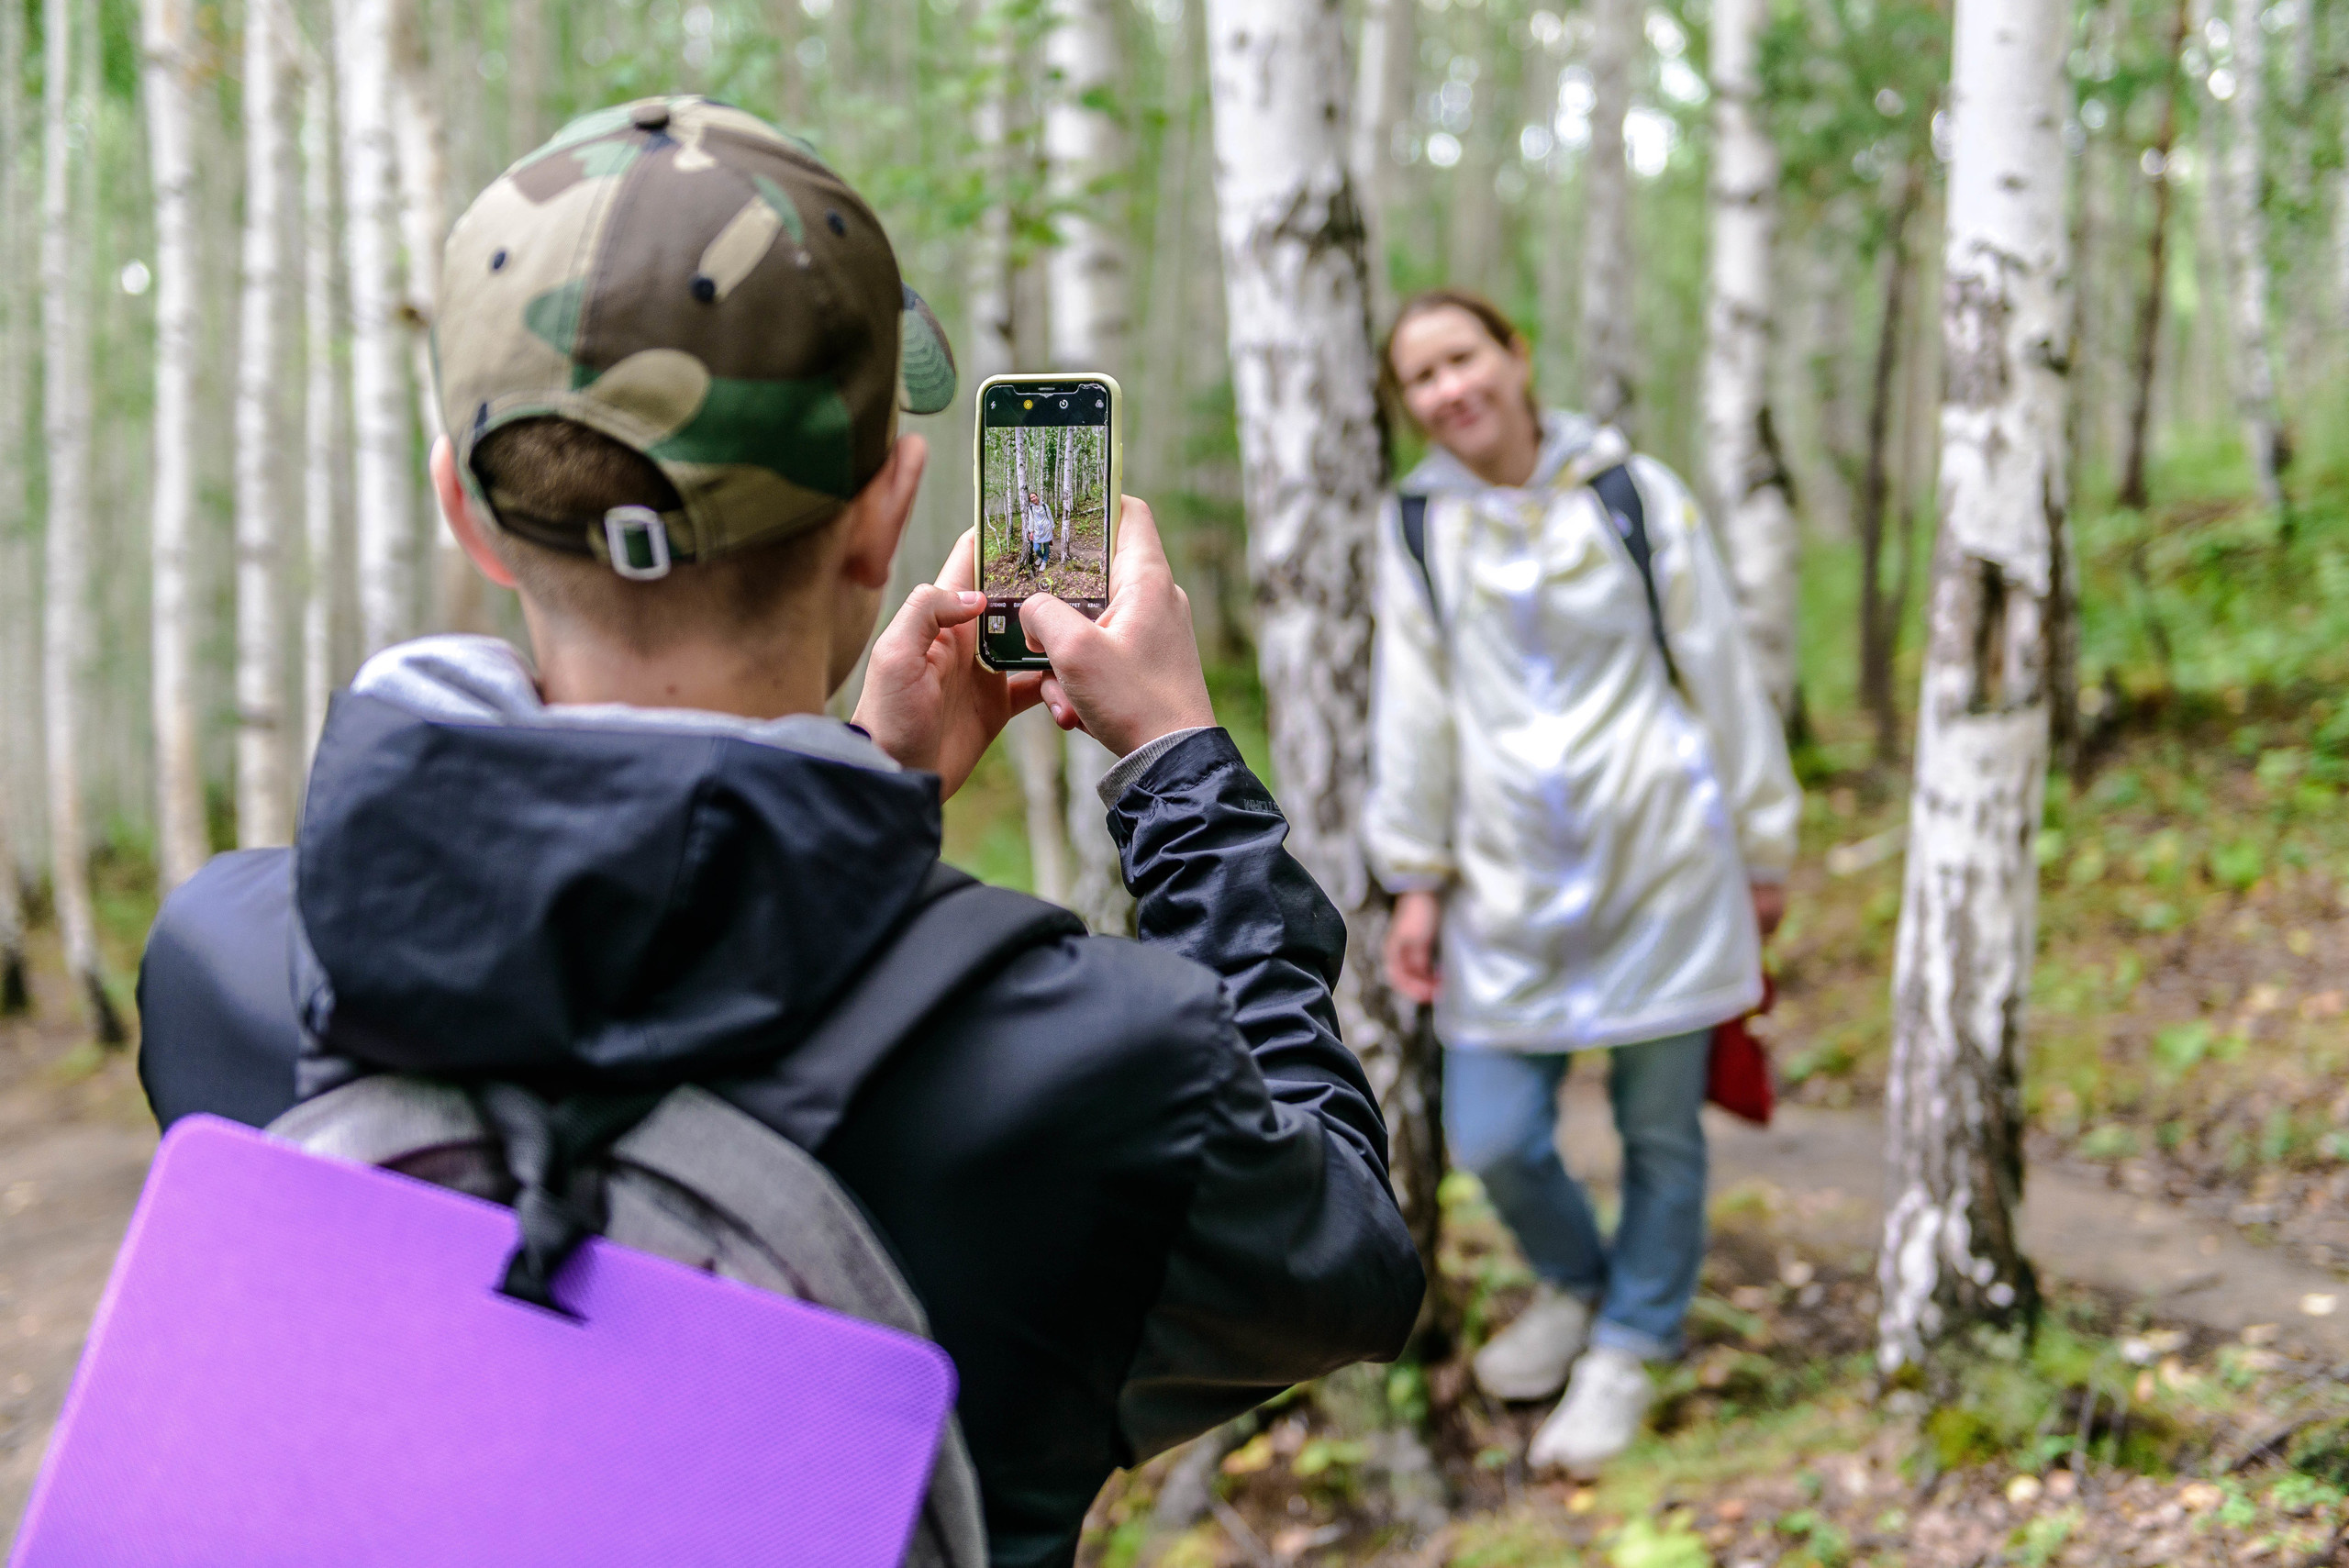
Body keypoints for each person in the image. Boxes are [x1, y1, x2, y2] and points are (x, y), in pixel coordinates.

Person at [134, 97, 1422, 1568]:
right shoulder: (1088, 1072)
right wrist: (1180, 769)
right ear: (883, 517)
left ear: (469, 516)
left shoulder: (226, 969)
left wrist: (864, 783)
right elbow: (1347, 1262)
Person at [1364, 290, 1798, 1475]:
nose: (1451, 392)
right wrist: (1417, 877)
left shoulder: (1634, 493)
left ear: (1518, 351)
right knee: (1493, 1133)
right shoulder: (1415, 526)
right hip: (1504, 886)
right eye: (1422, 379)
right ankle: (1583, 1288)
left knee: (1662, 1128)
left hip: (1663, 859)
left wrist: (1766, 844)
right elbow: (1416, 712)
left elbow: (1719, 663)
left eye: (1465, 358)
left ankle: (1632, 1344)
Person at [1023, 488, 1056, 574]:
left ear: (1037, 496)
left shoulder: (1045, 506)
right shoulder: (1031, 508)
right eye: (1031, 498)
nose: (1033, 499)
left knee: (1046, 547)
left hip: (1046, 529)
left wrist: (1052, 527)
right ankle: (1041, 557)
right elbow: (1031, 520)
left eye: (1034, 497)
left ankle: (1044, 562)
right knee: (1037, 548)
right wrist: (1031, 531)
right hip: (1037, 531)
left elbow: (1049, 516)